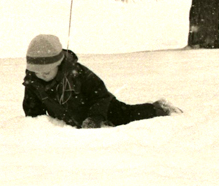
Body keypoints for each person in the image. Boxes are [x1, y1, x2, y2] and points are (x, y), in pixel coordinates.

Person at [23, 34, 181, 128]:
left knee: (128, 116)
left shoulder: (77, 74)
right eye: (36, 72)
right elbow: (33, 111)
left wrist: (94, 118)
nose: (41, 75)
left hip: (105, 108)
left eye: (46, 71)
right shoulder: (33, 82)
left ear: (58, 65)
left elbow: (100, 96)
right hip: (71, 119)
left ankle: (158, 108)